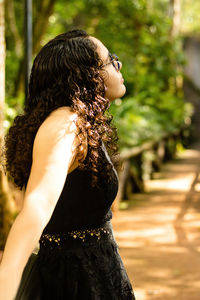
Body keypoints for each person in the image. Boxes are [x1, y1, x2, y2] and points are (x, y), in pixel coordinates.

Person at [0, 29, 135, 300]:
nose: (118, 66)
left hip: (97, 274)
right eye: (110, 60)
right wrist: (5, 286)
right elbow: (35, 208)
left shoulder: (78, 123)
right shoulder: (66, 123)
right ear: (86, 75)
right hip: (74, 284)